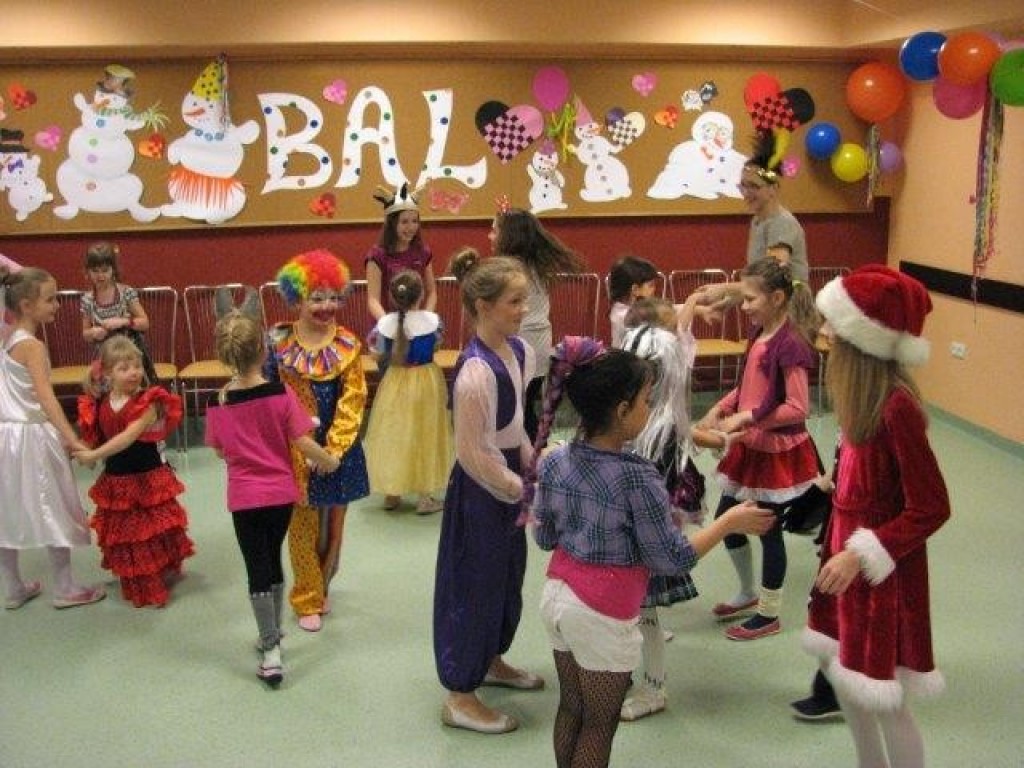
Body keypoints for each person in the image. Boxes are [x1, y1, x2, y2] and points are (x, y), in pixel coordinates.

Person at [528, 338, 774, 768]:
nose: (650, 408)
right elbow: (671, 559)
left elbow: (546, 538)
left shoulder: (554, 461)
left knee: (572, 708)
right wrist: (728, 523)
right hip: (601, 612)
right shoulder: (637, 477)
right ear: (622, 410)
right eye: (645, 400)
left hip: (556, 598)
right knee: (598, 725)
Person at [804, 265, 949, 768]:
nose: (824, 334)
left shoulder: (896, 409)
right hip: (843, 565)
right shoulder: (858, 402)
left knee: (886, 701)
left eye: (833, 325)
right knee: (846, 683)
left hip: (878, 577)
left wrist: (861, 554)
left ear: (860, 340)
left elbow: (931, 505)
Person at [204, 291, 340, 687]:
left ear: (224, 355)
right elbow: (303, 441)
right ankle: (274, 633)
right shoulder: (281, 395)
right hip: (281, 496)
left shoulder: (219, 402)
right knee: (273, 561)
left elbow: (218, 450)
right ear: (264, 351)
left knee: (256, 569)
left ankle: (270, 649)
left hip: (244, 499)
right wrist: (329, 460)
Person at [433, 250, 541, 735]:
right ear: (483, 306)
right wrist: (522, 487)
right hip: (481, 493)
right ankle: (460, 695)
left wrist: (534, 466)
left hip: (509, 485)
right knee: (474, 586)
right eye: (514, 301)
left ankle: (491, 658)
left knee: (506, 579)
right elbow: (474, 453)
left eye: (524, 299)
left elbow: (514, 427)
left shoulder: (519, 352)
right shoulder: (475, 374)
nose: (524, 309)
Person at [615, 295, 729, 721]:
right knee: (632, 611)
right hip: (631, 528)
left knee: (643, 610)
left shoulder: (654, 428)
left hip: (642, 535)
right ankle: (631, 674)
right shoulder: (644, 422)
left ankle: (654, 688)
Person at [696, 257, 821, 641]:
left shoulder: (790, 343)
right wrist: (722, 406)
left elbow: (797, 408)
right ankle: (748, 592)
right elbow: (750, 386)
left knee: (767, 530)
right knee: (728, 520)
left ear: (777, 298)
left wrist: (745, 418)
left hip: (775, 452)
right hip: (751, 445)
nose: (744, 305)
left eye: (750, 299)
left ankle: (769, 613)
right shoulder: (760, 333)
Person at [264, 249, 370, 632]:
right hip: (293, 452)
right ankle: (306, 596)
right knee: (302, 527)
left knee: (333, 525)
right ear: (297, 298)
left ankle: (322, 584)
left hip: (336, 452)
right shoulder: (278, 342)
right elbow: (266, 393)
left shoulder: (347, 343)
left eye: (333, 297)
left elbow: (353, 399)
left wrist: (333, 450)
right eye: (316, 297)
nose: (327, 306)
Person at [0, 266, 106, 611]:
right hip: (31, 436)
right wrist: (71, 437)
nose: (58, 305)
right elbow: (45, 398)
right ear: (27, 305)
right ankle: (65, 586)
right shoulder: (32, 346)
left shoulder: (7, 338)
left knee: (6, 510)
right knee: (56, 505)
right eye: (51, 299)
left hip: (6, 436)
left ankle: (13, 587)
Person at [74, 335, 193, 608]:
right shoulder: (99, 402)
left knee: (150, 529)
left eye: (137, 366)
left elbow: (127, 438)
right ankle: (139, 578)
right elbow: (98, 436)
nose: (134, 373)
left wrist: (92, 455)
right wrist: (80, 448)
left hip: (147, 477)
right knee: (130, 534)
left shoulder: (148, 401)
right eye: (124, 368)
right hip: (117, 479)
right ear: (108, 373)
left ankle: (156, 577)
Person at [489, 204, 586, 441]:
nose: (490, 236)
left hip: (519, 344)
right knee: (526, 406)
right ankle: (532, 451)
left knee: (514, 409)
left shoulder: (508, 271)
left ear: (508, 236)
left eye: (494, 230)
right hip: (539, 346)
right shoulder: (536, 266)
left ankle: (524, 453)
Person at [363, 269, 454, 514]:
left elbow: (376, 353)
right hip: (426, 380)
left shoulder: (385, 324)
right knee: (425, 433)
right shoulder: (432, 321)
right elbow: (437, 345)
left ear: (392, 298)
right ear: (421, 294)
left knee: (395, 431)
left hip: (395, 381)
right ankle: (425, 497)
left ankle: (392, 493)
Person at [79, 241, 158, 384]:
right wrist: (94, 332)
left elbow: (145, 323)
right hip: (105, 358)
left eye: (105, 270)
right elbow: (85, 334)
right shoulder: (87, 299)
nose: (100, 275)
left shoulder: (125, 293)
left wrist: (123, 321)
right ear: (87, 271)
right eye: (95, 271)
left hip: (129, 356)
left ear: (113, 270)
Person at [740, 132, 808, 281]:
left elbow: (772, 277)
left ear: (773, 188)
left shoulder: (782, 223)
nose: (746, 193)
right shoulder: (757, 221)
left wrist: (725, 289)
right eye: (743, 186)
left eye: (754, 186)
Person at [366, 183, 437, 323]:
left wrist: (425, 320)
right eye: (404, 222)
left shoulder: (423, 252)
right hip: (386, 324)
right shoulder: (377, 256)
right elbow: (373, 300)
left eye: (414, 221)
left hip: (415, 324)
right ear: (392, 225)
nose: (411, 227)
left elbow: (432, 292)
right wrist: (390, 325)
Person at [606, 254, 661, 348]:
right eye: (651, 285)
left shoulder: (622, 308)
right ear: (635, 289)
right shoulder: (627, 315)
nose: (654, 289)